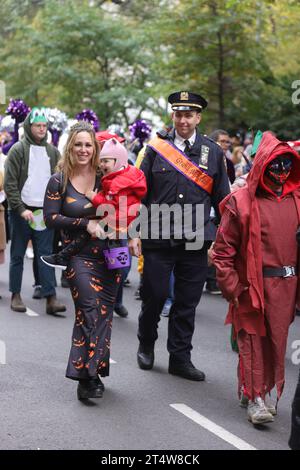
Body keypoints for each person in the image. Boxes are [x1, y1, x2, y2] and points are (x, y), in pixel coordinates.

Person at [129, 90, 230, 381]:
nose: (183, 120)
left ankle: (180, 357)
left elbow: (222, 200)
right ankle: (146, 341)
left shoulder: (213, 152)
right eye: (178, 114)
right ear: (172, 116)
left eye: (188, 115)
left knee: (187, 302)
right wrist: (134, 233)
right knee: (155, 295)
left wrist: (223, 242)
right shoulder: (156, 148)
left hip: (197, 237)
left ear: (198, 117)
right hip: (158, 236)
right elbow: (139, 193)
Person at [42, 123, 140, 399]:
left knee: (104, 315)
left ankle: (94, 372)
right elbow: (50, 218)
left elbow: (128, 205)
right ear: (70, 147)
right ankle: (84, 378)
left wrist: (134, 235)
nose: (84, 150)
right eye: (78, 144)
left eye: (89, 145)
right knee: (89, 310)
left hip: (112, 253)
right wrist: (84, 223)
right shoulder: (59, 180)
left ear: (96, 149)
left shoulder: (106, 176)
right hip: (79, 256)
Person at [212, 131, 300, 425]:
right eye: (275, 164)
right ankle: (256, 397)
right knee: (251, 340)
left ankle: (255, 388)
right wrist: (234, 287)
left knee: (275, 343)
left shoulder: (297, 200)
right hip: (251, 286)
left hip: (286, 288)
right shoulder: (241, 201)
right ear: (263, 164)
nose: (281, 171)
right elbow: (223, 251)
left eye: (287, 164)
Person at [4, 107, 66, 315]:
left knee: (46, 255)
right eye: (37, 125)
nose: (41, 129)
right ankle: (16, 295)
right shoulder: (17, 150)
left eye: (44, 126)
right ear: (29, 127)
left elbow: (60, 180)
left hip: (44, 213)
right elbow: (10, 183)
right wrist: (20, 209)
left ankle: (51, 297)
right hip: (21, 212)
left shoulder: (52, 151)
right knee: (18, 255)